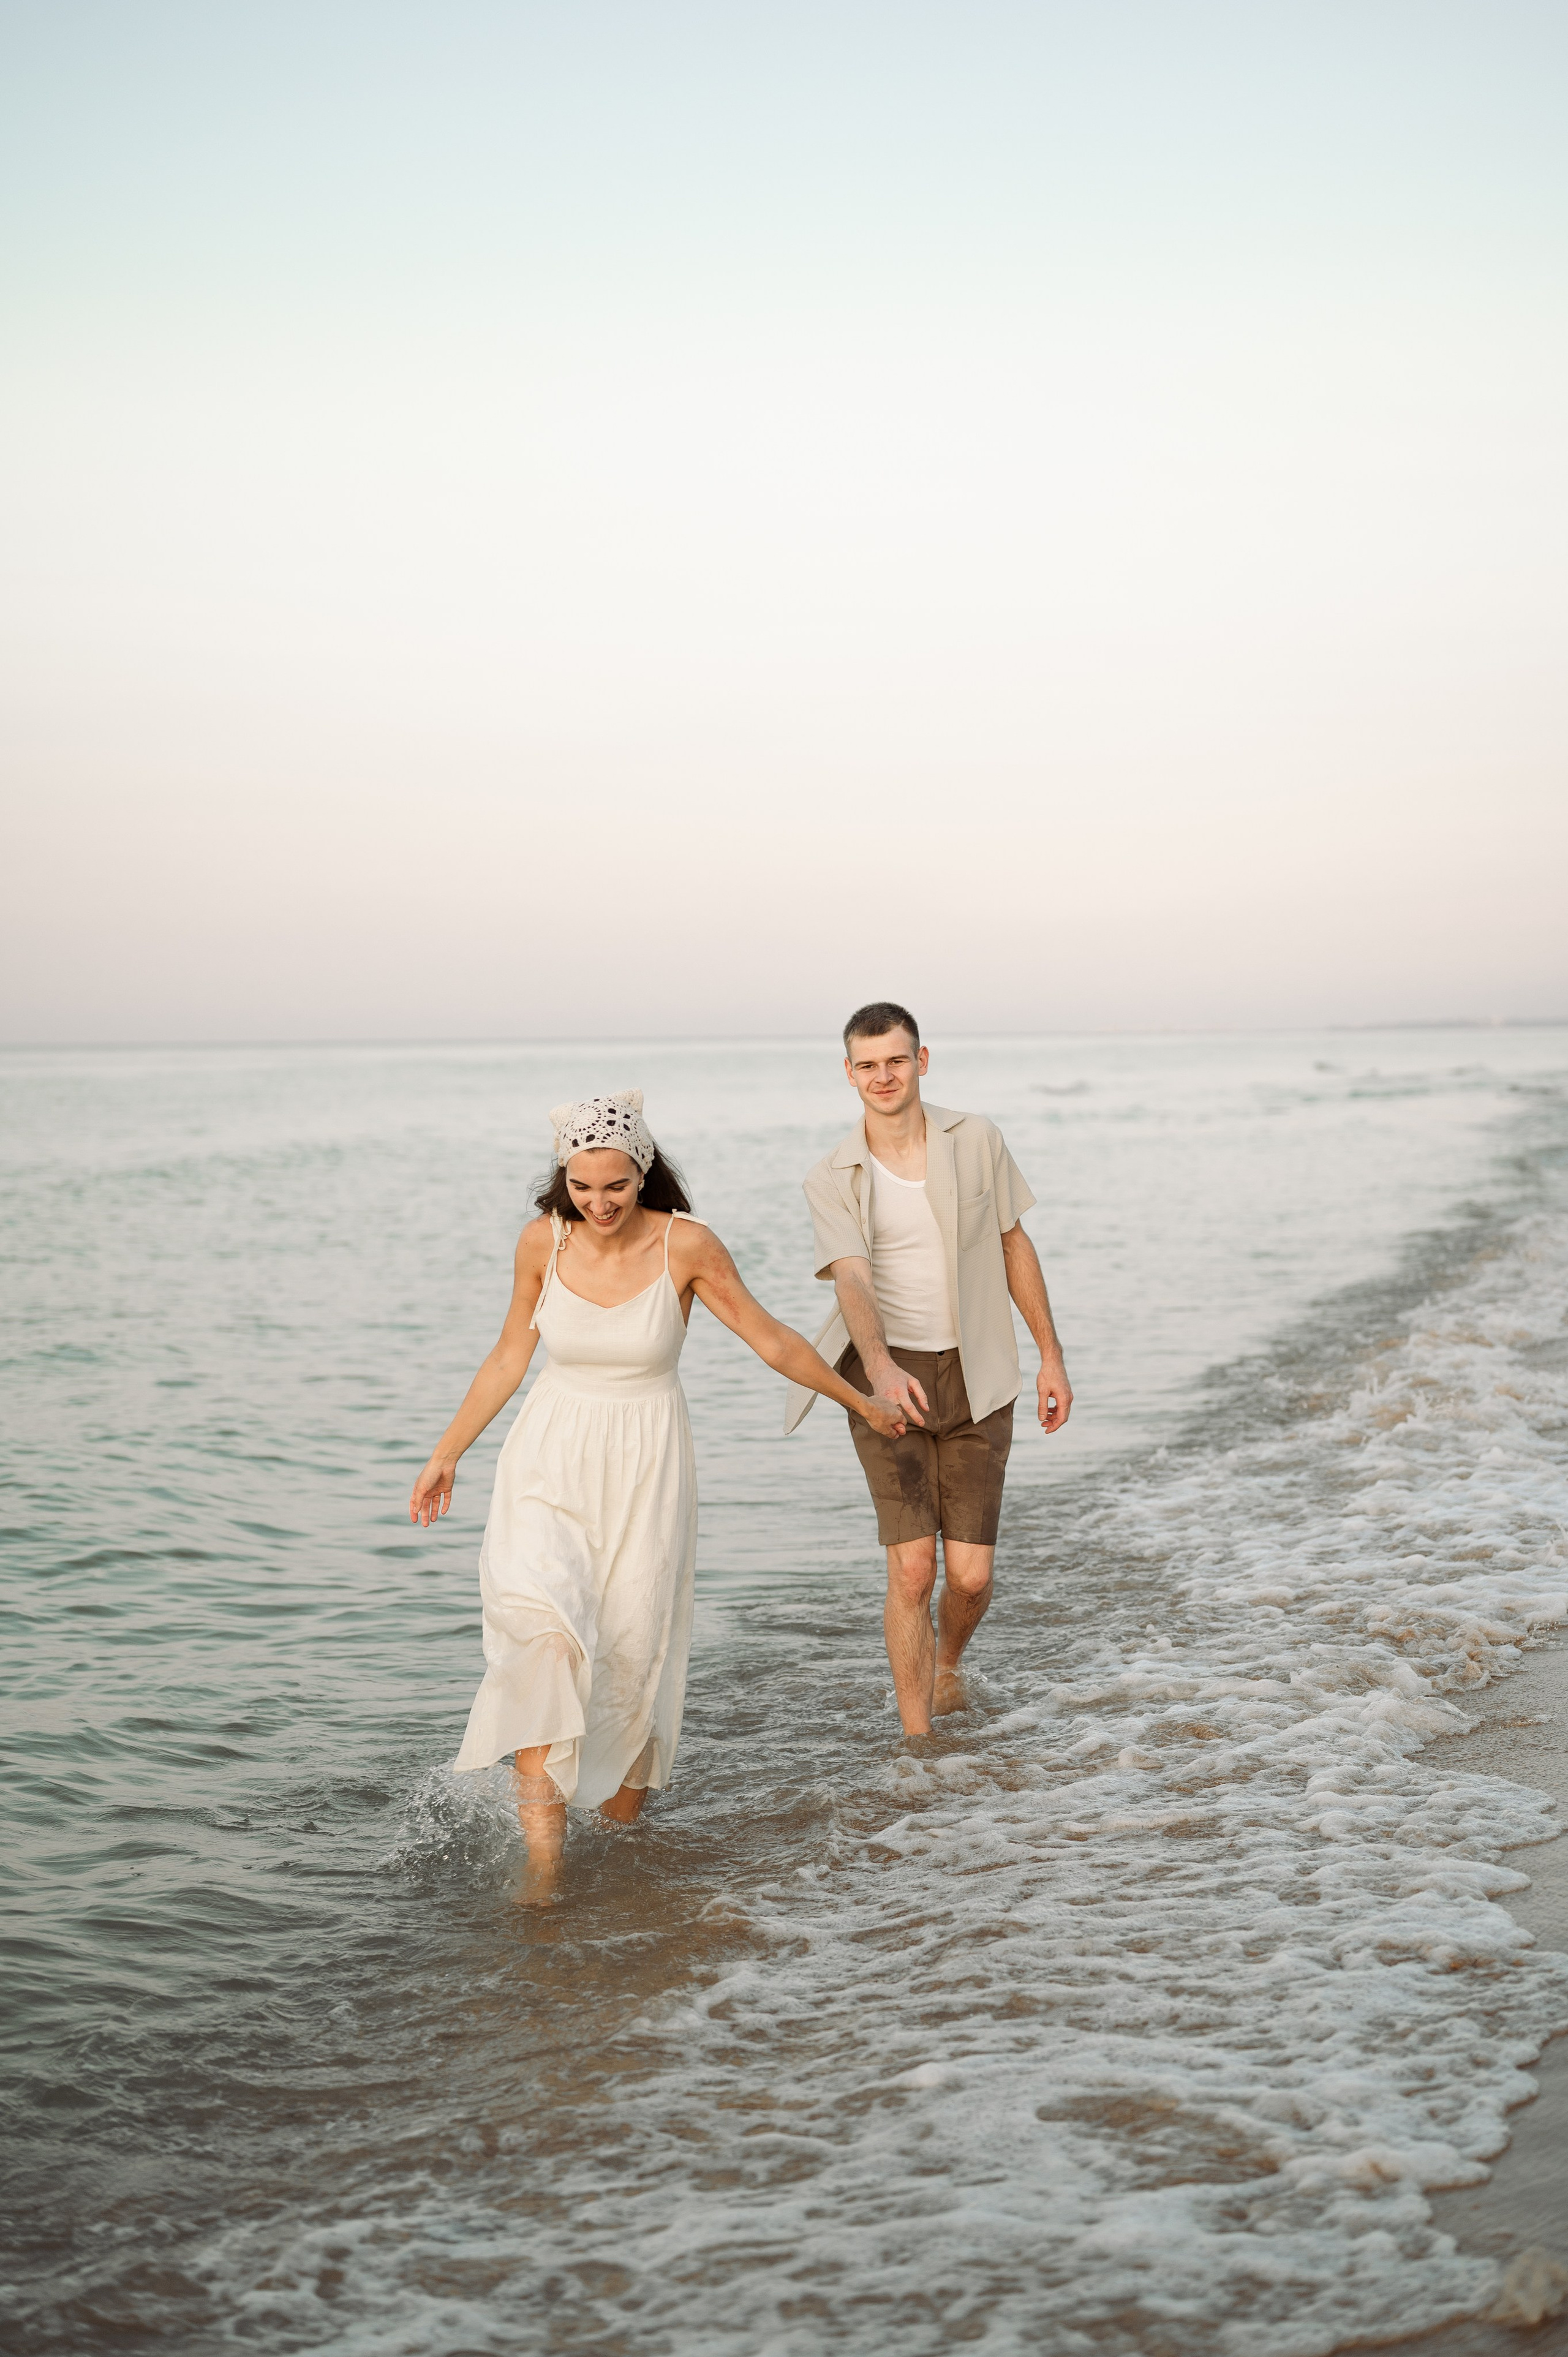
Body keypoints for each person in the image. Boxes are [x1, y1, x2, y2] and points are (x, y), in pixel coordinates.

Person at [410, 1090, 905, 1899]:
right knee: (547, 1645)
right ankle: (544, 1879)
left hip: (646, 1468)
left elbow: (770, 1335)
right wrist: (446, 1454)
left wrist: (862, 1401)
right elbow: (508, 1358)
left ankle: (620, 1849)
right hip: (548, 1460)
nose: (598, 1204)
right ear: (562, 1180)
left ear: (644, 1172)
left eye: (615, 1185)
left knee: (632, 1663)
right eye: (581, 1187)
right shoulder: (542, 1243)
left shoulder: (689, 1248)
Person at [785, 1004, 1072, 1736]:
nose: (883, 1075)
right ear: (847, 1072)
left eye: (896, 1059)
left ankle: (948, 1661)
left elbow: (1014, 1243)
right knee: (914, 1568)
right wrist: (877, 1367)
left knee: (971, 1575)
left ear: (922, 1060)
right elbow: (851, 1277)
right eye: (867, 1064)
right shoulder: (831, 1175)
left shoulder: (975, 1138)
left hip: (981, 1368)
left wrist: (1051, 1355)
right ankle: (916, 1745)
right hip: (887, 1378)